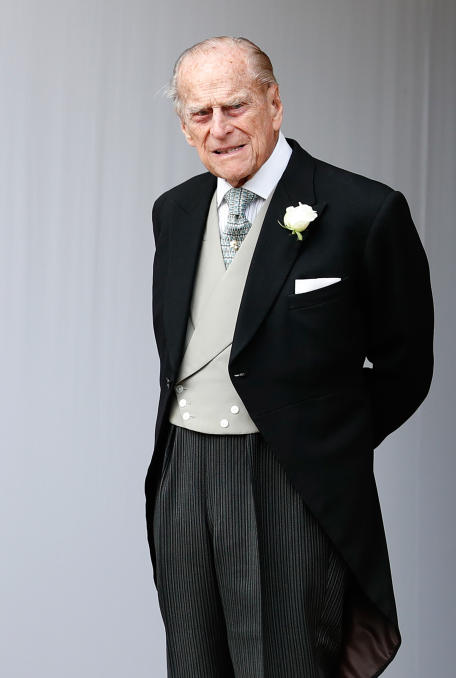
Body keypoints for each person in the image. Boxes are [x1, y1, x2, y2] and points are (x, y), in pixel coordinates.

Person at [146, 37, 433, 677]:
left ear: (274, 104)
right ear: (184, 126)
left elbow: (407, 366)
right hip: (183, 471)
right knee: (191, 662)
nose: (219, 129)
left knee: (284, 665)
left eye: (235, 106)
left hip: (288, 481)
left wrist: (320, 437)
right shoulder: (175, 211)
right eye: (201, 114)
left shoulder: (365, 211)